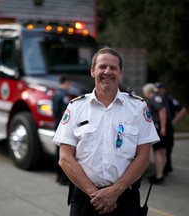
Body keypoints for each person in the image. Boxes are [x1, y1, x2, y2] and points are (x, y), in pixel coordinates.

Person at [53, 47, 159, 215]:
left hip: (125, 199)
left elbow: (143, 157)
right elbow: (65, 158)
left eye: (113, 68)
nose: (107, 71)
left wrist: (115, 191)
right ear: (93, 71)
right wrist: (96, 194)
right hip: (85, 199)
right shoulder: (76, 107)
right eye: (102, 67)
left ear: (120, 73)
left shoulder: (137, 107)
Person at [154, 82, 187, 175]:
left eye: (159, 89)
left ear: (163, 89)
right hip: (160, 126)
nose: (157, 91)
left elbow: (182, 109)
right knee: (162, 149)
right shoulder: (156, 99)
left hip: (166, 126)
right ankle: (162, 170)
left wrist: (174, 121)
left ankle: (164, 170)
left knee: (166, 148)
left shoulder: (168, 99)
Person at [142, 83, 170, 184]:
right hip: (162, 127)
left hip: (158, 127)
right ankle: (161, 173)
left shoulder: (154, 98)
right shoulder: (159, 97)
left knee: (158, 152)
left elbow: (162, 111)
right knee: (162, 151)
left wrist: (162, 127)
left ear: (148, 92)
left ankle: (159, 175)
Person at [52, 75, 71, 185]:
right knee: (64, 153)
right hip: (63, 127)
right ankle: (64, 178)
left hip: (56, 125)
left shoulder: (55, 94)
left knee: (57, 152)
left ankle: (58, 176)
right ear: (66, 83)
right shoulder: (64, 96)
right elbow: (65, 113)